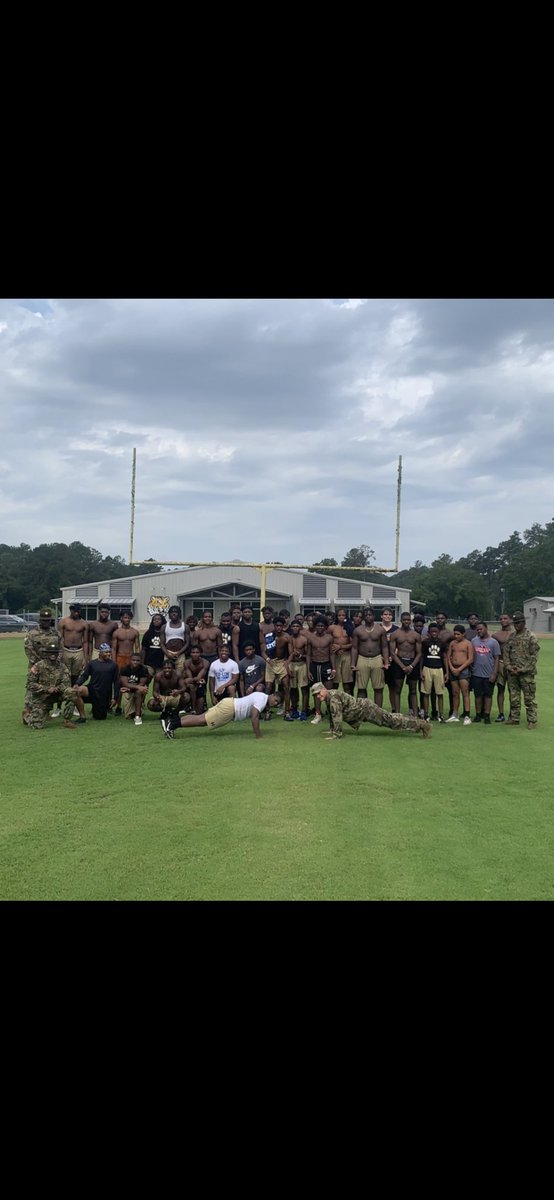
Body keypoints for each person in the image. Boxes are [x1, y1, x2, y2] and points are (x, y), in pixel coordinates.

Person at [311, 683, 431, 740]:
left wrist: (336, 735)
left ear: (324, 689)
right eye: (315, 695)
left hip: (366, 710)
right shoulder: (329, 696)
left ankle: (422, 725)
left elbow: (337, 716)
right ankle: (417, 724)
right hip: (362, 710)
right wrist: (332, 730)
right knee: (391, 719)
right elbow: (333, 716)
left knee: (391, 720)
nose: (317, 696)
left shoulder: (333, 698)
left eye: (318, 693)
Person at [162, 691, 283, 739]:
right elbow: (254, 716)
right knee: (202, 721)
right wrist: (258, 736)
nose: (275, 703)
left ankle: (172, 721)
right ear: (272, 695)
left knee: (202, 717)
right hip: (230, 709)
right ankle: (172, 725)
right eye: (276, 700)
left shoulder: (261, 696)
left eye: (277, 703)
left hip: (229, 703)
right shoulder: (262, 700)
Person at [24, 642, 84, 729]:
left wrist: (57, 688)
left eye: (55, 653)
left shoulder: (62, 667)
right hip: (42, 696)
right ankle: (27, 715)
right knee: (37, 725)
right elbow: (30, 684)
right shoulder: (38, 666)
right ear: (46, 654)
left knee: (72, 692)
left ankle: (66, 720)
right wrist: (46, 689)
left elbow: (66, 683)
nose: (53, 655)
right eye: (51, 653)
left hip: (57, 694)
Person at [23, 607, 63, 722]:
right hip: (36, 667)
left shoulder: (56, 634)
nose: (46, 622)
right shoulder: (32, 634)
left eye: (48, 620)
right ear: (39, 620)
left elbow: (60, 650)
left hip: (53, 668)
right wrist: (41, 664)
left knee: (49, 689)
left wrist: (56, 662)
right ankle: (27, 712)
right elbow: (28, 650)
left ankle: (45, 712)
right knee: (33, 689)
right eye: (43, 620)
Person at [504, 611, 540, 729]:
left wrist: (522, 670)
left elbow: (534, 657)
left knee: (529, 697)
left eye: (518, 623)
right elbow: (506, 654)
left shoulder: (531, 636)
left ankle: (532, 720)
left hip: (526, 674)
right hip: (513, 673)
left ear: (524, 622)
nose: (516, 625)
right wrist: (509, 667)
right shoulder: (511, 636)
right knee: (514, 697)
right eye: (515, 623)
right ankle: (514, 718)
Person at [350, 609, 389, 707]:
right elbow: (354, 648)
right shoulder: (358, 630)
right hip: (362, 658)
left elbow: (384, 647)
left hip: (377, 658)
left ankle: (378, 712)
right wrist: (352, 664)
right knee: (361, 688)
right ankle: (361, 711)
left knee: (378, 688)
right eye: (366, 615)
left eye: (370, 615)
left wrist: (386, 662)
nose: (368, 616)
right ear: (363, 617)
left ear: (374, 616)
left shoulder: (380, 629)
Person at [74, 643, 119, 720]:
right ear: (100, 653)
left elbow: (116, 682)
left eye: (109, 652)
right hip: (92, 690)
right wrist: (77, 683)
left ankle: (97, 708)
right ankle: (82, 716)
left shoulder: (113, 665)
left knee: (99, 717)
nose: (108, 654)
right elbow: (85, 676)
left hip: (103, 695)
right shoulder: (92, 663)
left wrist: (115, 698)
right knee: (77, 691)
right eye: (106, 652)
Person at [389, 612, 422, 715]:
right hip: (399, 663)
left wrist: (412, 666)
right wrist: (402, 666)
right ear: (401, 620)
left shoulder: (416, 635)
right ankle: (398, 714)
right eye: (404, 620)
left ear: (410, 621)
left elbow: (419, 653)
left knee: (413, 690)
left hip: (412, 662)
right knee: (397, 689)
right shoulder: (395, 634)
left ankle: (415, 715)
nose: (406, 622)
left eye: (408, 620)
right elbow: (392, 653)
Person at [307, 617, 336, 723]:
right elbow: (308, 655)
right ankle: (318, 714)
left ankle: (331, 713)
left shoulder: (329, 638)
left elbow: (331, 654)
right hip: (315, 665)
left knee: (328, 691)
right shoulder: (310, 638)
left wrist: (334, 669)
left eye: (322, 626)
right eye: (318, 626)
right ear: (315, 626)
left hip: (326, 665)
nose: (320, 628)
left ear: (325, 627)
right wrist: (308, 670)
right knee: (316, 691)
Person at [470, 622, 500, 724]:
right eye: (477, 630)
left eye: (481, 629)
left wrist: (494, 673)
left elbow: (496, 658)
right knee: (477, 695)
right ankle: (478, 714)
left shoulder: (493, 642)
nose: (479, 631)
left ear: (486, 629)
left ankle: (487, 715)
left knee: (488, 695)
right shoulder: (474, 641)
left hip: (489, 674)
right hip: (476, 673)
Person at [111, 610, 140, 714]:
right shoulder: (117, 632)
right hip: (120, 657)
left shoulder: (135, 632)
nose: (126, 619)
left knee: (133, 681)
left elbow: (137, 647)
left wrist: (138, 660)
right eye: (124, 617)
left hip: (131, 658)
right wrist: (114, 662)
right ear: (121, 618)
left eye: (128, 617)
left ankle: (136, 705)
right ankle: (118, 706)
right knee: (119, 682)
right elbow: (114, 649)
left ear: (131, 619)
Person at [420, 622, 448, 722]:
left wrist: (446, 672)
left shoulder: (442, 643)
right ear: (429, 632)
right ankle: (426, 715)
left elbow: (445, 657)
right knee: (426, 693)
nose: (434, 633)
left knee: (439, 693)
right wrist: (420, 671)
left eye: (436, 631)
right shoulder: (425, 642)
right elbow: (422, 657)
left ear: (438, 632)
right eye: (432, 632)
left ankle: (441, 715)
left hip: (439, 668)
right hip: (427, 668)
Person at [445, 626, 474, 724]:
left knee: (465, 692)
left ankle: (467, 715)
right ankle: (455, 714)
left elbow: (470, 659)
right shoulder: (452, 643)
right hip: (453, 668)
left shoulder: (468, 644)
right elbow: (448, 657)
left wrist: (460, 669)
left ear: (463, 634)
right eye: (455, 634)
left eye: (458, 634)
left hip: (463, 669)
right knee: (455, 693)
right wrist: (452, 668)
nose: (456, 636)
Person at [263, 615, 290, 712]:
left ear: (283, 626)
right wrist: (267, 659)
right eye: (277, 625)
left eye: (280, 625)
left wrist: (287, 663)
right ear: (274, 625)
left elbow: (291, 653)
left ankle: (287, 711)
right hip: (271, 662)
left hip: (282, 662)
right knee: (268, 687)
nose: (279, 627)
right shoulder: (268, 636)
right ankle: (267, 711)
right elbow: (263, 651)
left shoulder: (287, 637)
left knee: (286, 686)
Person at [58, 602, 89, 685]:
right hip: (66, 649)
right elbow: (60, 639)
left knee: (76, 674)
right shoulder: (63, 622)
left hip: (78, 651)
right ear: (70, 610)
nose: (76, 613)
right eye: (74, 611)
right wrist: (60, 653)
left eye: (78, 611)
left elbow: (85, 641)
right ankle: (65, 692)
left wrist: (85, 658)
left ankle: (74, 692)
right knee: (65, 673)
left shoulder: (84, 624)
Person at [286, 618, 309, 720]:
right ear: (291, 628)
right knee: (293, 689)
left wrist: (300, 656)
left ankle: (304, 711)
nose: (295, 628)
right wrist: (287, 666)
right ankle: (294, 709)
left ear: (300, 628)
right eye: (293, 626)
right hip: (291, 664)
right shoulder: (288, 638)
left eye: (297, 626)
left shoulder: (304, 639)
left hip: (302, 664)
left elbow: (308, 655)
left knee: (304, 688)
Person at [327, 608, 354, 696]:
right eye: (339, 615)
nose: (341, 617)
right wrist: (334, 648)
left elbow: (353, 644)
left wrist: (341, 647)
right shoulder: (332, 627)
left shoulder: (350, 627)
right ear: (336, 616)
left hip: (347, 655)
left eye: (343, 615)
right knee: (335, 683)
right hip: (335, 656)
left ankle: (348, 706)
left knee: (347, 684)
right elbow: (327, 641)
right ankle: (333, 705)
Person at [118, 652, 150, 725]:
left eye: (137, 660)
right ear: (130, 660)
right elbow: (125, 683)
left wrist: (134, 688)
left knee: (139, 692)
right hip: (127, 690)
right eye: (133, 660)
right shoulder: (124, 669)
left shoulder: (144, 669)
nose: (135, 662)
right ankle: (135, 710)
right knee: (129, 716)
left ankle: (137, 716)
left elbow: (142, 684)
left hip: (136, 690)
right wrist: (135, 687)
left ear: (141, 661)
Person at [492, 614, 513, 721]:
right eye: (500, 619)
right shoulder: (496, 635)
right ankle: (501, 713)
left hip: (512, 664)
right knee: (500, 689)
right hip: (500, 663)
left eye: (505, 618)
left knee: (512, 690)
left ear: (510, 620)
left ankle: (512, 713)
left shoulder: (515, 634)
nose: (503, 620)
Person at [163, 604, 190, 674]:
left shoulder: (185, 626)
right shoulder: (164, 626)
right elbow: (161, 643)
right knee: (168, 674)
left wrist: (179, 653)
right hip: (168, 653)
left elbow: (187, 642)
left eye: (176, 612)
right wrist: (167, 654)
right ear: (169, 614)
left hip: (180, 654)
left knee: (180, 675)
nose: (174, 613)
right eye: (171, 612)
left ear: (179, 614)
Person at [182, 645, 209, 714]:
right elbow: (190, 677)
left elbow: (199, 677)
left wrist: (190, 680)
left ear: (200, 653)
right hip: (191, 684)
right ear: (190, 654)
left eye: (197, 652)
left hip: (201, 683)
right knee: (191, 687)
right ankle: (191, 707)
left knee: (199, 711)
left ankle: (203, 702)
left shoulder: (205, 663)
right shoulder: (187, 663)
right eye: (193, 652)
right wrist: (189, 680)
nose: (195, 654)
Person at [141, 614, 167, 679]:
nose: (156, 621)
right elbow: (144, 649)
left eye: (159, 619)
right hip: (149, 662)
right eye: (154, 619)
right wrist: (142, 663)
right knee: (146, 679)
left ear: (162, 621)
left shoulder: (166, 633)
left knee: (159, 680)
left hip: (161, 663)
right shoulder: (148, 633)